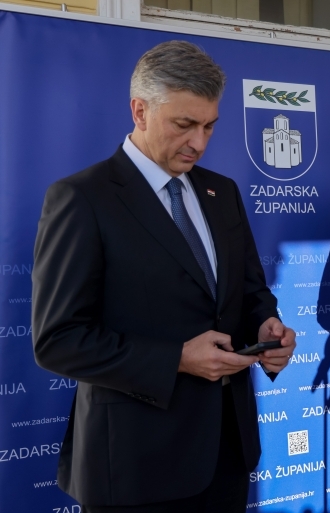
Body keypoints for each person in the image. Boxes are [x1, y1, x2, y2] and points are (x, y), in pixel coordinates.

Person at [31, 40, 296, 513]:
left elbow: (250, 291)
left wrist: (265, 328)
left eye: (209, 126)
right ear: (140, 111)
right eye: (184, 124)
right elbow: (58, 340)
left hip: (227, 457)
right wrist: (176, 359)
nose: (199, 143)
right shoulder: (82, 198)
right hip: (134, 467)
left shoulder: (222, 192)